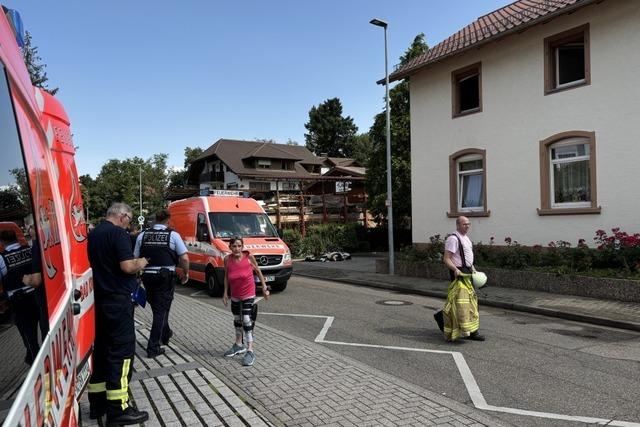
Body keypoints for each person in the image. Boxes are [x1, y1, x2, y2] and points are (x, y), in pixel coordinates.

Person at [86, 203, 150, 425]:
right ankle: (119, 409)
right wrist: (140, 262)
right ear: (122, 216)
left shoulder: (92, 235)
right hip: (117, 303)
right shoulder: (118, 234)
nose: (129, 223)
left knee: (102, 352)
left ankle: (97, 404)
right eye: (130, 219)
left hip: (98, 302)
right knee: (122, 352)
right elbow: (126, 266)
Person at [134, 209, 189, 358]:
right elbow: (184, 258)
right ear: (168, 221)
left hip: (148, 277)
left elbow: (135, 258)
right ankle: (153, 347)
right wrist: (186, 273)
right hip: (165, 278)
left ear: (154, 220)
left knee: (159, 308)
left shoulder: (142, 235)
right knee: (160, 312)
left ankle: (165, 334)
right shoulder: (173, 235)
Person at [222, 236, 269, 366]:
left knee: (247, 320)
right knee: (237, 319)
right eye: (234, 246)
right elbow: (226, 276)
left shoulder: (248, 257)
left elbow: (258, 271)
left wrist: (264, 287)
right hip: (235, 294)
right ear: (230, 247)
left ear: (242, 247)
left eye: (239, 246)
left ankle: (250, 350)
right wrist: (225, 293)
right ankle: (238, 345)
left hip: (248, 292)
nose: (237, 249)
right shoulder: (227, 259)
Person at [442, 216, 485, 342]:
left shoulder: (466, 239)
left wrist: (473, 269)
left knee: (470, 302)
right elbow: (446, 258)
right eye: (464, 224)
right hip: (459, 272)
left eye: (468, 224)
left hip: (467, 271)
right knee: (462, 304)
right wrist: (455, 270)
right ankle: (467, 331)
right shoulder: (453, 239)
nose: (467, 226)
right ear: (458, 225)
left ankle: (470, 330)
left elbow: (467, 258)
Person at [0, 228, 40, 364]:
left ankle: (36, 363)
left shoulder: (2, 258)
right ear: (16, 238)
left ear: (2, 242)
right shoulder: (29, 250)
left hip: (19, 302)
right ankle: (31, 358)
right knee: (40, 329)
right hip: (36, 297)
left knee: (28, 335)